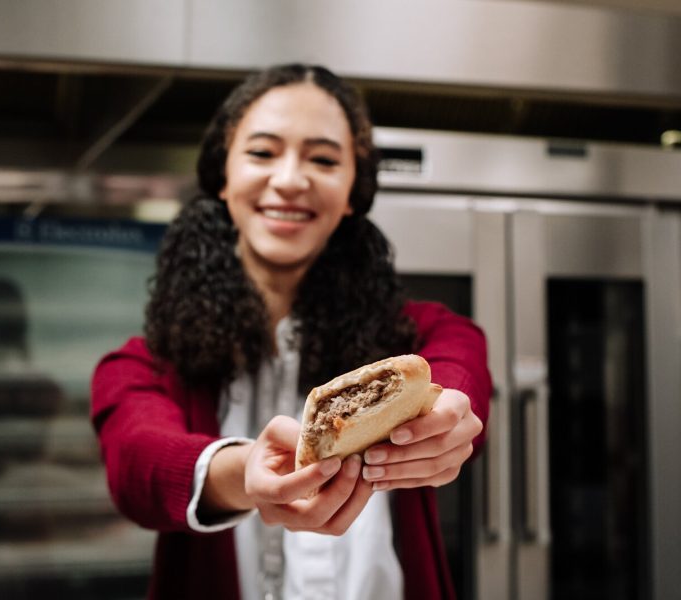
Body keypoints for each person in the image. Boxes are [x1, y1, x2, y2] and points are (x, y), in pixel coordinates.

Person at [92, 64, 491, 600]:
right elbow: (135, 462)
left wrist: (448, 418)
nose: (289, 179)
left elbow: (459, 367)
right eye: (262, 153)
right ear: (222, 178)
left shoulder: (423, 332)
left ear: (353, 191)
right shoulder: (143, 365)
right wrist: (241, 473)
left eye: (323, 159)